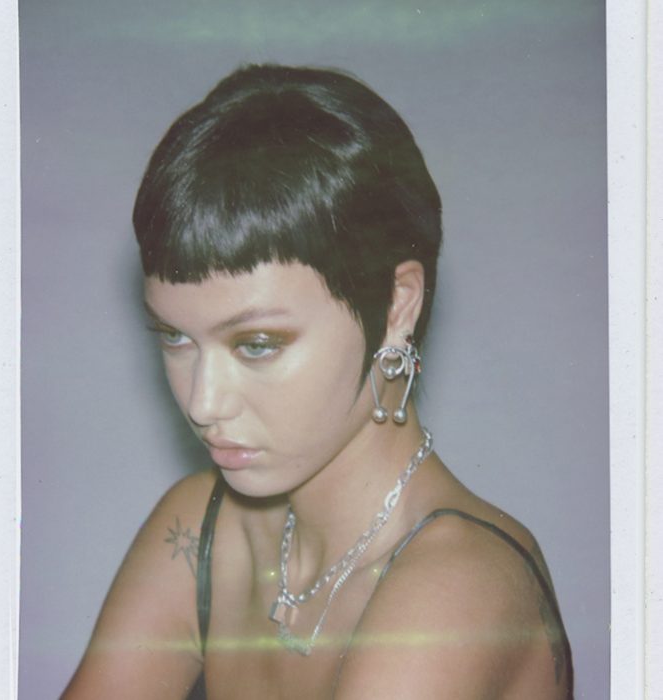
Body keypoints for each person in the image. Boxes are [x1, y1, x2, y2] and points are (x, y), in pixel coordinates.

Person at [62, 64, 573, 699]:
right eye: (175, 337)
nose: (203, 402)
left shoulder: (456, 587)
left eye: (256, 344)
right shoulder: (205, 527)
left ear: (397, 306)